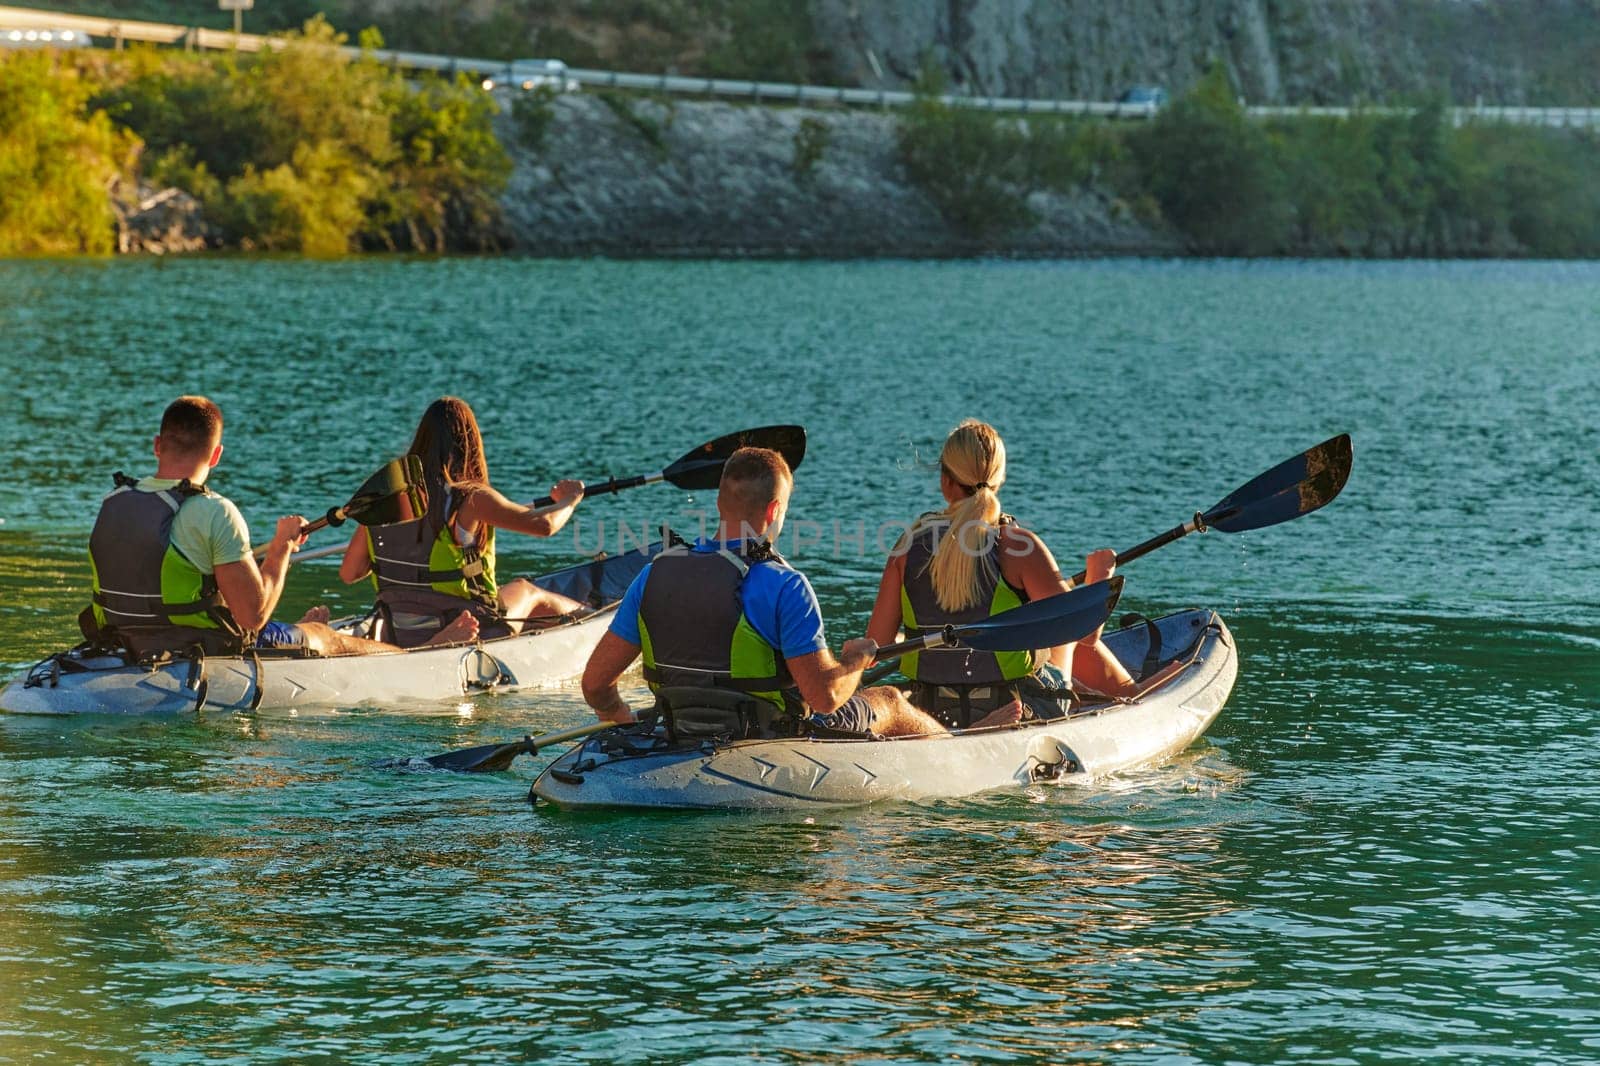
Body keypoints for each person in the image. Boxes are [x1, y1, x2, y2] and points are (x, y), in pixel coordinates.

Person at [582, 446, 945, 738]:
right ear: (774, 510)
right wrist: (857, 659)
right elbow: (825, 698)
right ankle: (954, 752)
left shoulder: (651, 575)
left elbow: (596, 685)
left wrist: (624, 721)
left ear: (719, 503)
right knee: (892, 700)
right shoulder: (786, 585)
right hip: (768, 737)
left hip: (681, 730)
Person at [84, 395, 473, 660]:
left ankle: (303, 629)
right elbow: (253, 618)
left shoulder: (112, 501)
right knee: (329, 639)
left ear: (157, 445)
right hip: (197, 646)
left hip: (122, 640)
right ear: (216, 455)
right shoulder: (214, 511)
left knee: (304, 630)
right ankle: (426, 652)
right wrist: (281, 551)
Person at [865, 418, 1140, 730]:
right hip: (1017, 705)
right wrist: (1098, 578)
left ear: (946, 481)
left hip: (930, 708)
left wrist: (929, 639)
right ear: (1000, 479)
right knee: (1063, 641)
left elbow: (877, 644)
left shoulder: (906, 546)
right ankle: (1135, 697)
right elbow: (1084, 633)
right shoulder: (1018, 545)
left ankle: (1131, 694)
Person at [338, 396, 587, 647]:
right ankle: (597, 621)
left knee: (509, 592)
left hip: (397, 632)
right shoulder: (469, 497)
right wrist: (569, 499)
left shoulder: (386, 503)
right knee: (526, 590)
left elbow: (349, 573)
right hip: (471, 628)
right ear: (470, 443)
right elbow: (545, 525)